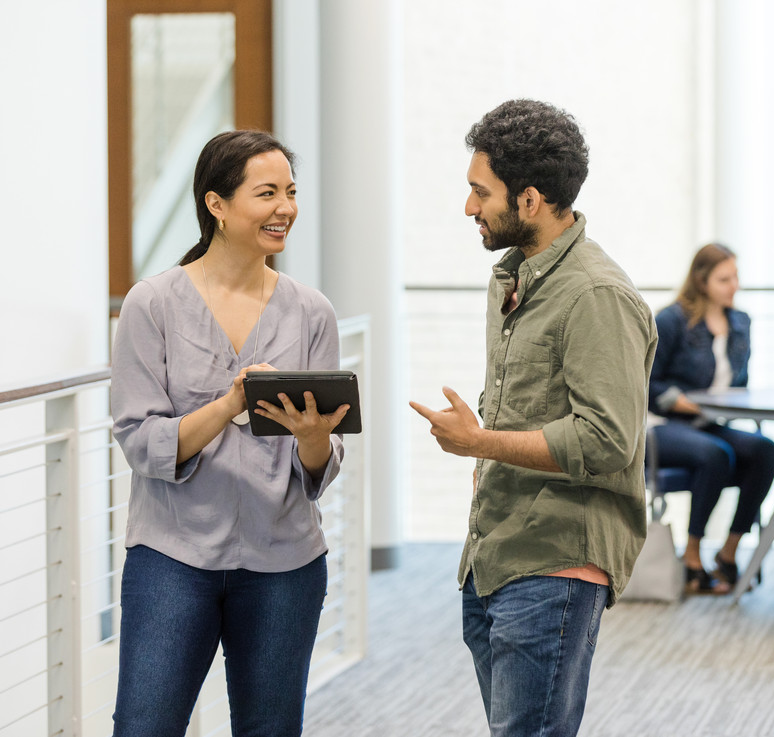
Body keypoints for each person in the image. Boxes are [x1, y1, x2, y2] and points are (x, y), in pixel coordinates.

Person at [409, 99, 657, 737]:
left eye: (479, 192)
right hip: (496, 551)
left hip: (554, 562)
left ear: (530, 199)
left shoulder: (596, 295)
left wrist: (479, 442)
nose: (469, 208)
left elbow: (607, 440)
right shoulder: (515, 278)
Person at [110, 129, 350, 736]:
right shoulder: (152, 304)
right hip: (173, 555)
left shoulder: (311, 311)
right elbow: (141, 440)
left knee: (270, 729)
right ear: (216, 204)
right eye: (266, 193)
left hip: (285, 560)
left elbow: (320, 465)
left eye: (291, 193)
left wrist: (314, 435)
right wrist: (231, 403)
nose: (285, 208)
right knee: (145, 725)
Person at [649, 243, 774, 594]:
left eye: (736, 276)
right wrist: (687, 404)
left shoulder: (740, 323)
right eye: (725, 279)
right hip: (663, 426)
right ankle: (692, 558)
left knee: (766, 450)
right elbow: (646, 384)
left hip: (712, 425)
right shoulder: (671, 320)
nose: (734, 285)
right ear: (702, 280)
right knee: (717, 453)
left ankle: (728, 553)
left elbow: (740, 385)